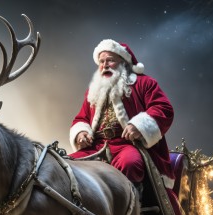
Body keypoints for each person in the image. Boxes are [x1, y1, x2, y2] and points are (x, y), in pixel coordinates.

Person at [69, 39, 175, 190]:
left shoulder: (144, 83)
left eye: (110, 60)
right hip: (96, 147)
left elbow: (163, 108)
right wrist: (81, 133)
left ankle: (132, 210)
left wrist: (139, 126)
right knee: (67, 165)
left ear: (123, 63)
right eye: (101, 62)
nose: (104, 65)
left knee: (130, 164)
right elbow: (81, 118)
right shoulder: (93, 91)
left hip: (128, 145)